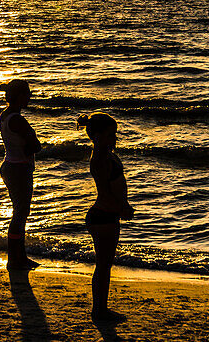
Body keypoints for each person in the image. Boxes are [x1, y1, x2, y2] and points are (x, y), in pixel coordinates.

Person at [78, 112, 134, 323]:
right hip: (104, 216)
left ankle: (101, 308)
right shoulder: (100, 158)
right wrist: (122, 207)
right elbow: (106, 190)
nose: (115, 139)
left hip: (108, 215)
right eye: (111, 135)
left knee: (105, 266)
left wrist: (122, 206)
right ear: (98, 136)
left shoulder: (108, 154)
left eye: (115, 134)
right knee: (103, 266)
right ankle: (99, 310)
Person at [0, 79, 41, 271]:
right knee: (20, 213)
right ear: (19, 96)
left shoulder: (6, 115)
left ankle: (18, 257)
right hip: (18, 168)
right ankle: (16, 258)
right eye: (27, 93)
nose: (30, 96)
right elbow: (35, 146)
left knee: (20, 212)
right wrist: (32, 141)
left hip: (12, 165)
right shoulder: (17, 119)